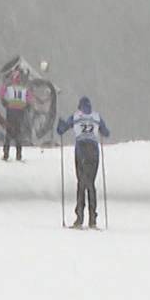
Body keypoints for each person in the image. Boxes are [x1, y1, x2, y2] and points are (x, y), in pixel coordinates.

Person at [56, 97, 111, 229]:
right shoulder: (96, 117)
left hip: (81, 150)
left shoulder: (76, 116)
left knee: (81, 182)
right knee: (90, 183)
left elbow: (61, 130)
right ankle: (93, 219)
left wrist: (60, 124)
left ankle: (79, 218)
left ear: (79, 106)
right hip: (94, 151)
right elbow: (106, 133)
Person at [0, 61, 33, 161]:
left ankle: (6, 153)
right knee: (19, 133)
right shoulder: (24, 88)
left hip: (10, 111)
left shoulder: (8, 87)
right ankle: (19, 154)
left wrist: (4, 103)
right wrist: (26, 107)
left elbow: (1, 95)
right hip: (20, 112)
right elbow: (29, 100)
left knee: (8, 133)